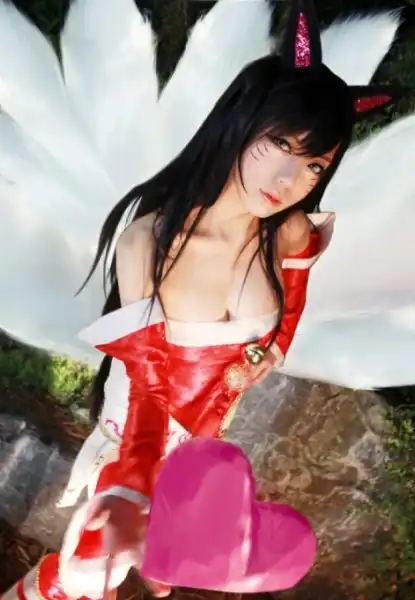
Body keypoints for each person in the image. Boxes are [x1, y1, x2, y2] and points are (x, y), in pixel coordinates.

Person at [0, 0, 405, 599]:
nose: (289, 180)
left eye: (314, 165)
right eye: (280, 144)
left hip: (208, 434)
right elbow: (146, 386)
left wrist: (274, 348)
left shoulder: (288, 232)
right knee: (87, 574)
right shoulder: (150, 244)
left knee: (158, 560)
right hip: (137, 431)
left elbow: (295, 288)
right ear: (241, 122)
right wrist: (129, 486)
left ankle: (155, 555)